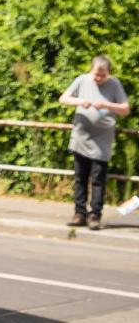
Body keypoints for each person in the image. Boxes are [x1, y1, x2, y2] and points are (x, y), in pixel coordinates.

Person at [59, 56, 130, 229]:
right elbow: (64, 99)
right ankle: (79, 213)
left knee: (98, 179)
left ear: (108, 73)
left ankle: (95, 216)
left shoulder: (114, 84)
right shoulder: (82, 80)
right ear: (91, 70)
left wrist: (107, 105)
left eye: (102, 76)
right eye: (96, 75)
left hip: (102, 140)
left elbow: (125, 109)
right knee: (80, 178)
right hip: (81, 136)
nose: (98, 79)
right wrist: (80, 101)